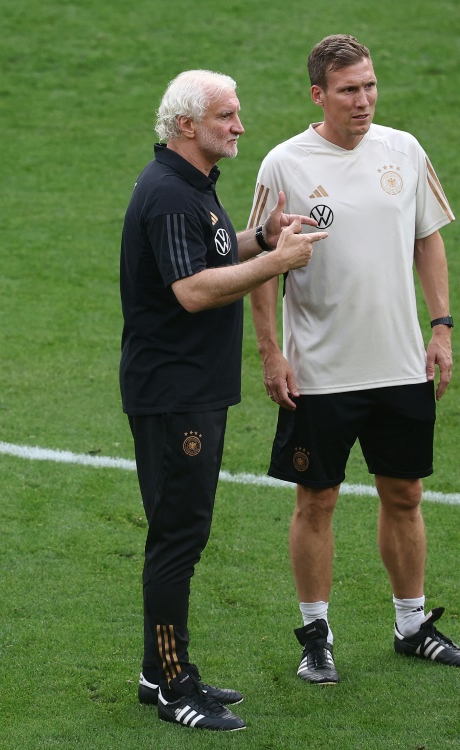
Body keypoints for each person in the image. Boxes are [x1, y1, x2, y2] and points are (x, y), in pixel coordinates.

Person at [247, 34, 460, 686]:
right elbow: (261, 270)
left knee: (404, 493)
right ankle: (316, 636)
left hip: (402, 364)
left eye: (371, 85)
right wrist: (271, 353)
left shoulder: (403, 151)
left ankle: (412, 625)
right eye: (349, 89)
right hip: (319, 371)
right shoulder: (284, 165)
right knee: (316, 501)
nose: (364, 100)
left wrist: (442, 330)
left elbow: (427, 241)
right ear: (318, 94)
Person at [120, 69, 327, 731]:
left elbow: (207, 261)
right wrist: (277, 263)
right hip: (176, 394)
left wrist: (261, 239)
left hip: (188, 388)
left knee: (180, 531)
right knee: (177, 538)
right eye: (226, 117)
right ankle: (175, 686)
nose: (239, 126)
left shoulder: (191, 191)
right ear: (187, 125)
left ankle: (161, 670)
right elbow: (193, 291)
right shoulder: (170, 196)